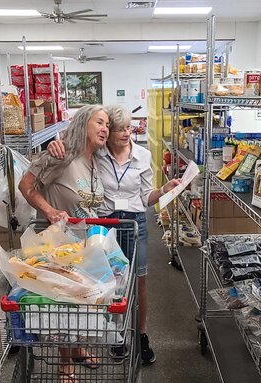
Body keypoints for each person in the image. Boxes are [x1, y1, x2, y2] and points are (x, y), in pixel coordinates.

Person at [47, 105, 181, 365]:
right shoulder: (97, 154)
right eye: (119, 129)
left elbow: (146, 197)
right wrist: (56, 143)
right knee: (108, 281)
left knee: (139, 281)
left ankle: (141, 335)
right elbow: (73, 144)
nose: (125, 134)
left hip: (135, 223)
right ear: (108, 134)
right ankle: (116, 335)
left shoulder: (142, 155)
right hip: (105, 223)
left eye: (128, 128)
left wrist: (165, 188)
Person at [18, 104, 110, 383]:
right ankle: (65, 368)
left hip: (84, 243)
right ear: (84, 123)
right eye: (99, 122)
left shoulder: (94, 160)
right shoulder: (61, 155)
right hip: (57, 244)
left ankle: (79, 349)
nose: (105, 128)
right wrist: (49, 211)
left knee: (80, 301)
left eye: (107, 124)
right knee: (63, 305)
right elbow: (26, 185)